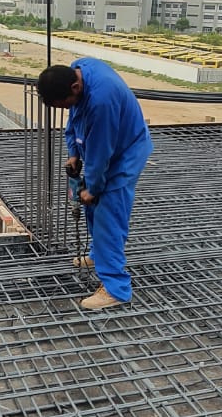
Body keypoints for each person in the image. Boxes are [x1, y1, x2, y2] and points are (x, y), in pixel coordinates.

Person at [37, 59, 152, 311]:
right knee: (91, 203)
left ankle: (116, 289)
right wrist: (73, 151)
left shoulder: (102, 102)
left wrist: (94, 188)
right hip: (104, 148)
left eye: (63, 103)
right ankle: (98, 254)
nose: (65, 108)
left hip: (125, 153)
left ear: (75, 87)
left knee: (108, 217)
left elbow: (100, 155)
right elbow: (75, 116)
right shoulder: (79, 68)